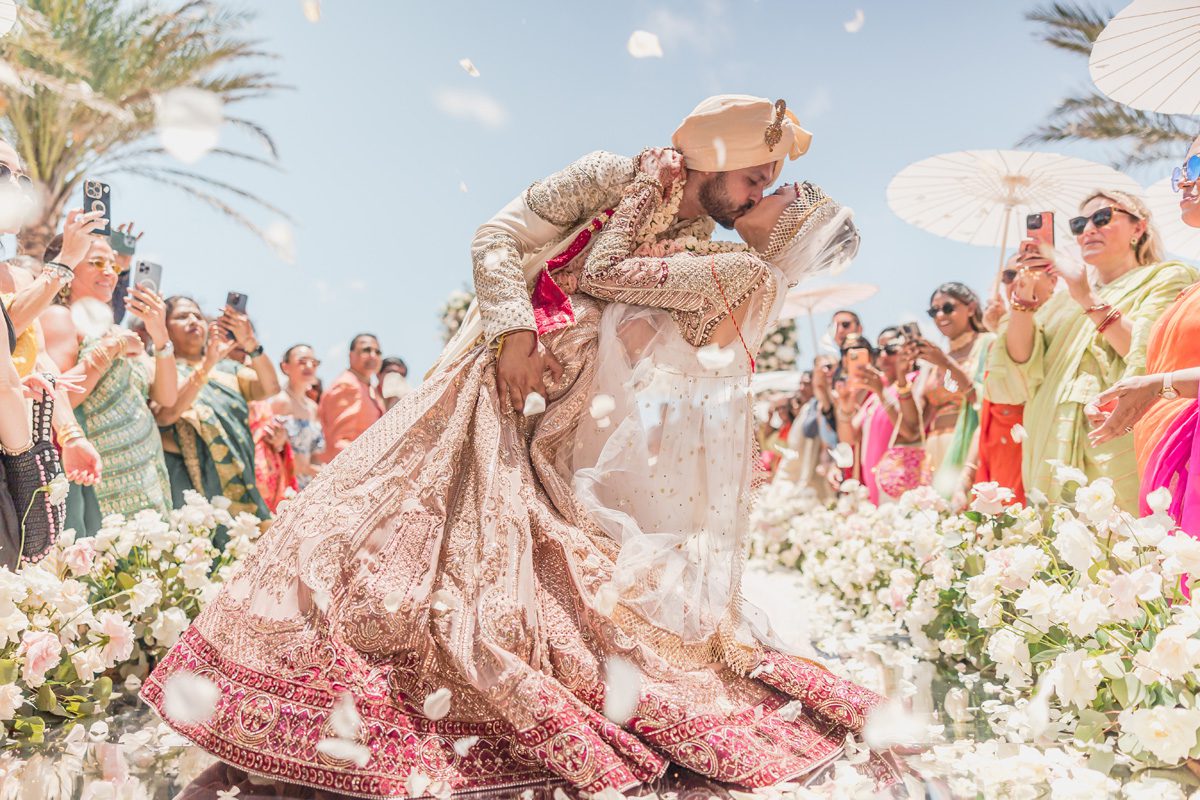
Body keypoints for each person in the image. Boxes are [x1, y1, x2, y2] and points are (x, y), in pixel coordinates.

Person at [144, 111, 898, 796]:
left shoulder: (711, 252)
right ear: (718, 157)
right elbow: (495, 240)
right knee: (362, 539)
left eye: (771, 186)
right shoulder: (611, 172)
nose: (760, 188)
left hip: (562, 432)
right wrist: (514, 331)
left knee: (520, 591)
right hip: (492, 386)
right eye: (754, 176)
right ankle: (290, 705)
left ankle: (436, 720)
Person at [988, 189, 1197, 512]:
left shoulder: (1167, 277)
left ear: (1138, 228)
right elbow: (1018, 374)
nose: (1088, 229)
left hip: (1115, 444)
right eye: (1079, 223)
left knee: (1128, 551)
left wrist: (1086, 297)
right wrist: (1022, 301)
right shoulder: (1059, 302)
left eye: (1102, 218)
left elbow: (1154, 356)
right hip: (1048, 447)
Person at [1087, 134, 1200, 532]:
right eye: (1181, 171)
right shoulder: (1192, 290)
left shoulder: (1173, 278)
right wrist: (1138, 395)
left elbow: (1163, 379)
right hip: (1170, 468)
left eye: (1197, 167)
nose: (1185, 182)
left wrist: (1158, 387)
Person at [39, 233, 177, 534]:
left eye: (114, 266)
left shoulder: (117, 330)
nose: (109, 272)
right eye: (97, 263)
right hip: (99, 483)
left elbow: (166, 397)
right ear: (69, 266)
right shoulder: (59, 318)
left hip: (146, 477)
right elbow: (54, 398)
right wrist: (109, 349)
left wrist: (160, 334)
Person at [154, 297, 280, 524]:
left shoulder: (228, 369)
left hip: (238, 480)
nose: (193, 321)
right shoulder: (160, 369)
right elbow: (166, 415)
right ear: (164, 327)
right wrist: (207, 364)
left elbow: (270, 387)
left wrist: (250, 342)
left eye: (198, 316)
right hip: (184, 480)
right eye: (182, 316)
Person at [911, 282, 994, 500]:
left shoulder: (987, 344)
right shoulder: (934, 359)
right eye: (933, 311)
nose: (940, 315)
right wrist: (903, 376)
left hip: (969, 446)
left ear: (971, 307)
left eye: (948, 308)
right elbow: (916, 421)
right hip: (934, 451)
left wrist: (947, 364)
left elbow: (985, 399)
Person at [846, 328, 921, 505]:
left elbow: (910, 430)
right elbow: (850, 436)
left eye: (890, 350)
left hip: (904, 484)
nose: (883, 357)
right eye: (878, 351)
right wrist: (843, 405)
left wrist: (881, 392)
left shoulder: (915, 380)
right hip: (877, 488)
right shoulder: (877, 391)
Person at [977, 263, 1026, 504]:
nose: (1016, 280)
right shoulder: (993, 339)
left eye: (1026, 272)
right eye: (1008, 275)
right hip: (994, 439)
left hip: (1024, 437)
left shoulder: (1047, 320)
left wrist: (1002, 327)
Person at [317, 333, 385, 463]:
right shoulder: (347, 386)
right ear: (351, 355)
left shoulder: (368, 387)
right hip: (354, 471)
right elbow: (340, 443)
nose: (373, 355)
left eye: (378, 352)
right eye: (366, 350)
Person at [269, 344, 325, 490]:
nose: (309, 366)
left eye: (314, 362)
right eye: (302, 361)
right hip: (285, 484)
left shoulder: (313, 407)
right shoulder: (281, 401)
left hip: (309, 486)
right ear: (285, 367)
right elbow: (270, 449)